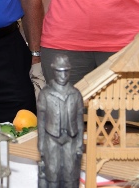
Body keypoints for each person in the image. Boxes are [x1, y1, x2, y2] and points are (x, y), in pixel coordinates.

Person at [37, 55, 83, 188]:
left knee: (71, 173)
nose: (63, 76)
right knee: (52, 173)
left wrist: (79, 144)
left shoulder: (75, 94)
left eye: (66, 71)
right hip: (51, 139)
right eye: (59, 71)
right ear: (54, 71)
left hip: (70, 139)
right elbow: (41, 121)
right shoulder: (45, 94)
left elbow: (79, 121)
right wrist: (41, 145)